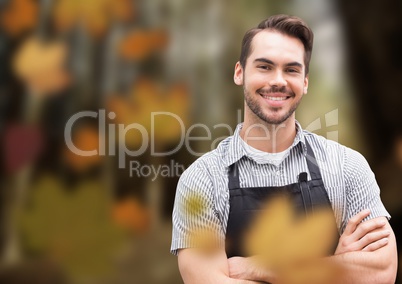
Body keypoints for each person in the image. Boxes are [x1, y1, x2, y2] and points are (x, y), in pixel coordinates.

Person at [171, 14, 397, 283]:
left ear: (305, 82)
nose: (278, 80)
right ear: (239, 73)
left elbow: (381, 272)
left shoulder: (347, 166)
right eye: (264, 67)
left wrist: (258, 267)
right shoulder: (201, 180)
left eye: (291, 69)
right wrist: (336, 266)